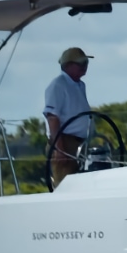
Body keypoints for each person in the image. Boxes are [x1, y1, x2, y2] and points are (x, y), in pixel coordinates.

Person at [43, 46, 94, 186]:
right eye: (81, 63)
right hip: (65, 143)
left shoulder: (79, 85)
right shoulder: (58, 85)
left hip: (80, 144)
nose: (85, 66)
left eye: (86, 63)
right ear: (68, 65)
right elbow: (52, 117)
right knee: (66, 186)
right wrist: (60, 149)